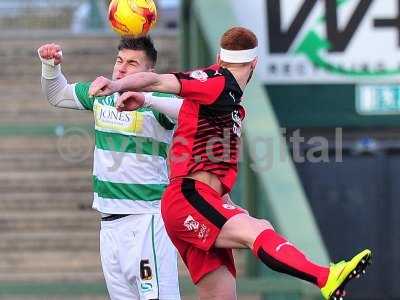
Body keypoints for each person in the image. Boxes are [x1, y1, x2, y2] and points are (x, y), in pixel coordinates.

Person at [88, 27, 372, 300]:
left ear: (220, 56)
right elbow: (157, 80)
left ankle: (325, 276)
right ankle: (325, 276)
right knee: (258, 229)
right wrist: (115, 85)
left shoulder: (229, 102)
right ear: (254, 64)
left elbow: (205, 152)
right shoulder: (218, 83)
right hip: (187, 199)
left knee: (220, 294)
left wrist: (229, 205)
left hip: (201, 200)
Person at [38, 36, 182, 300]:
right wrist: (51, 66)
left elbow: (188, 108)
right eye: (119, 61)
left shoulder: (157, 100)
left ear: (150, 73)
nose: (121, 68)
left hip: (146, 220)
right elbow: (57, 94)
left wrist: (148, 98)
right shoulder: (102, 95)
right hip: (109, 226)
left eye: (132, 63)